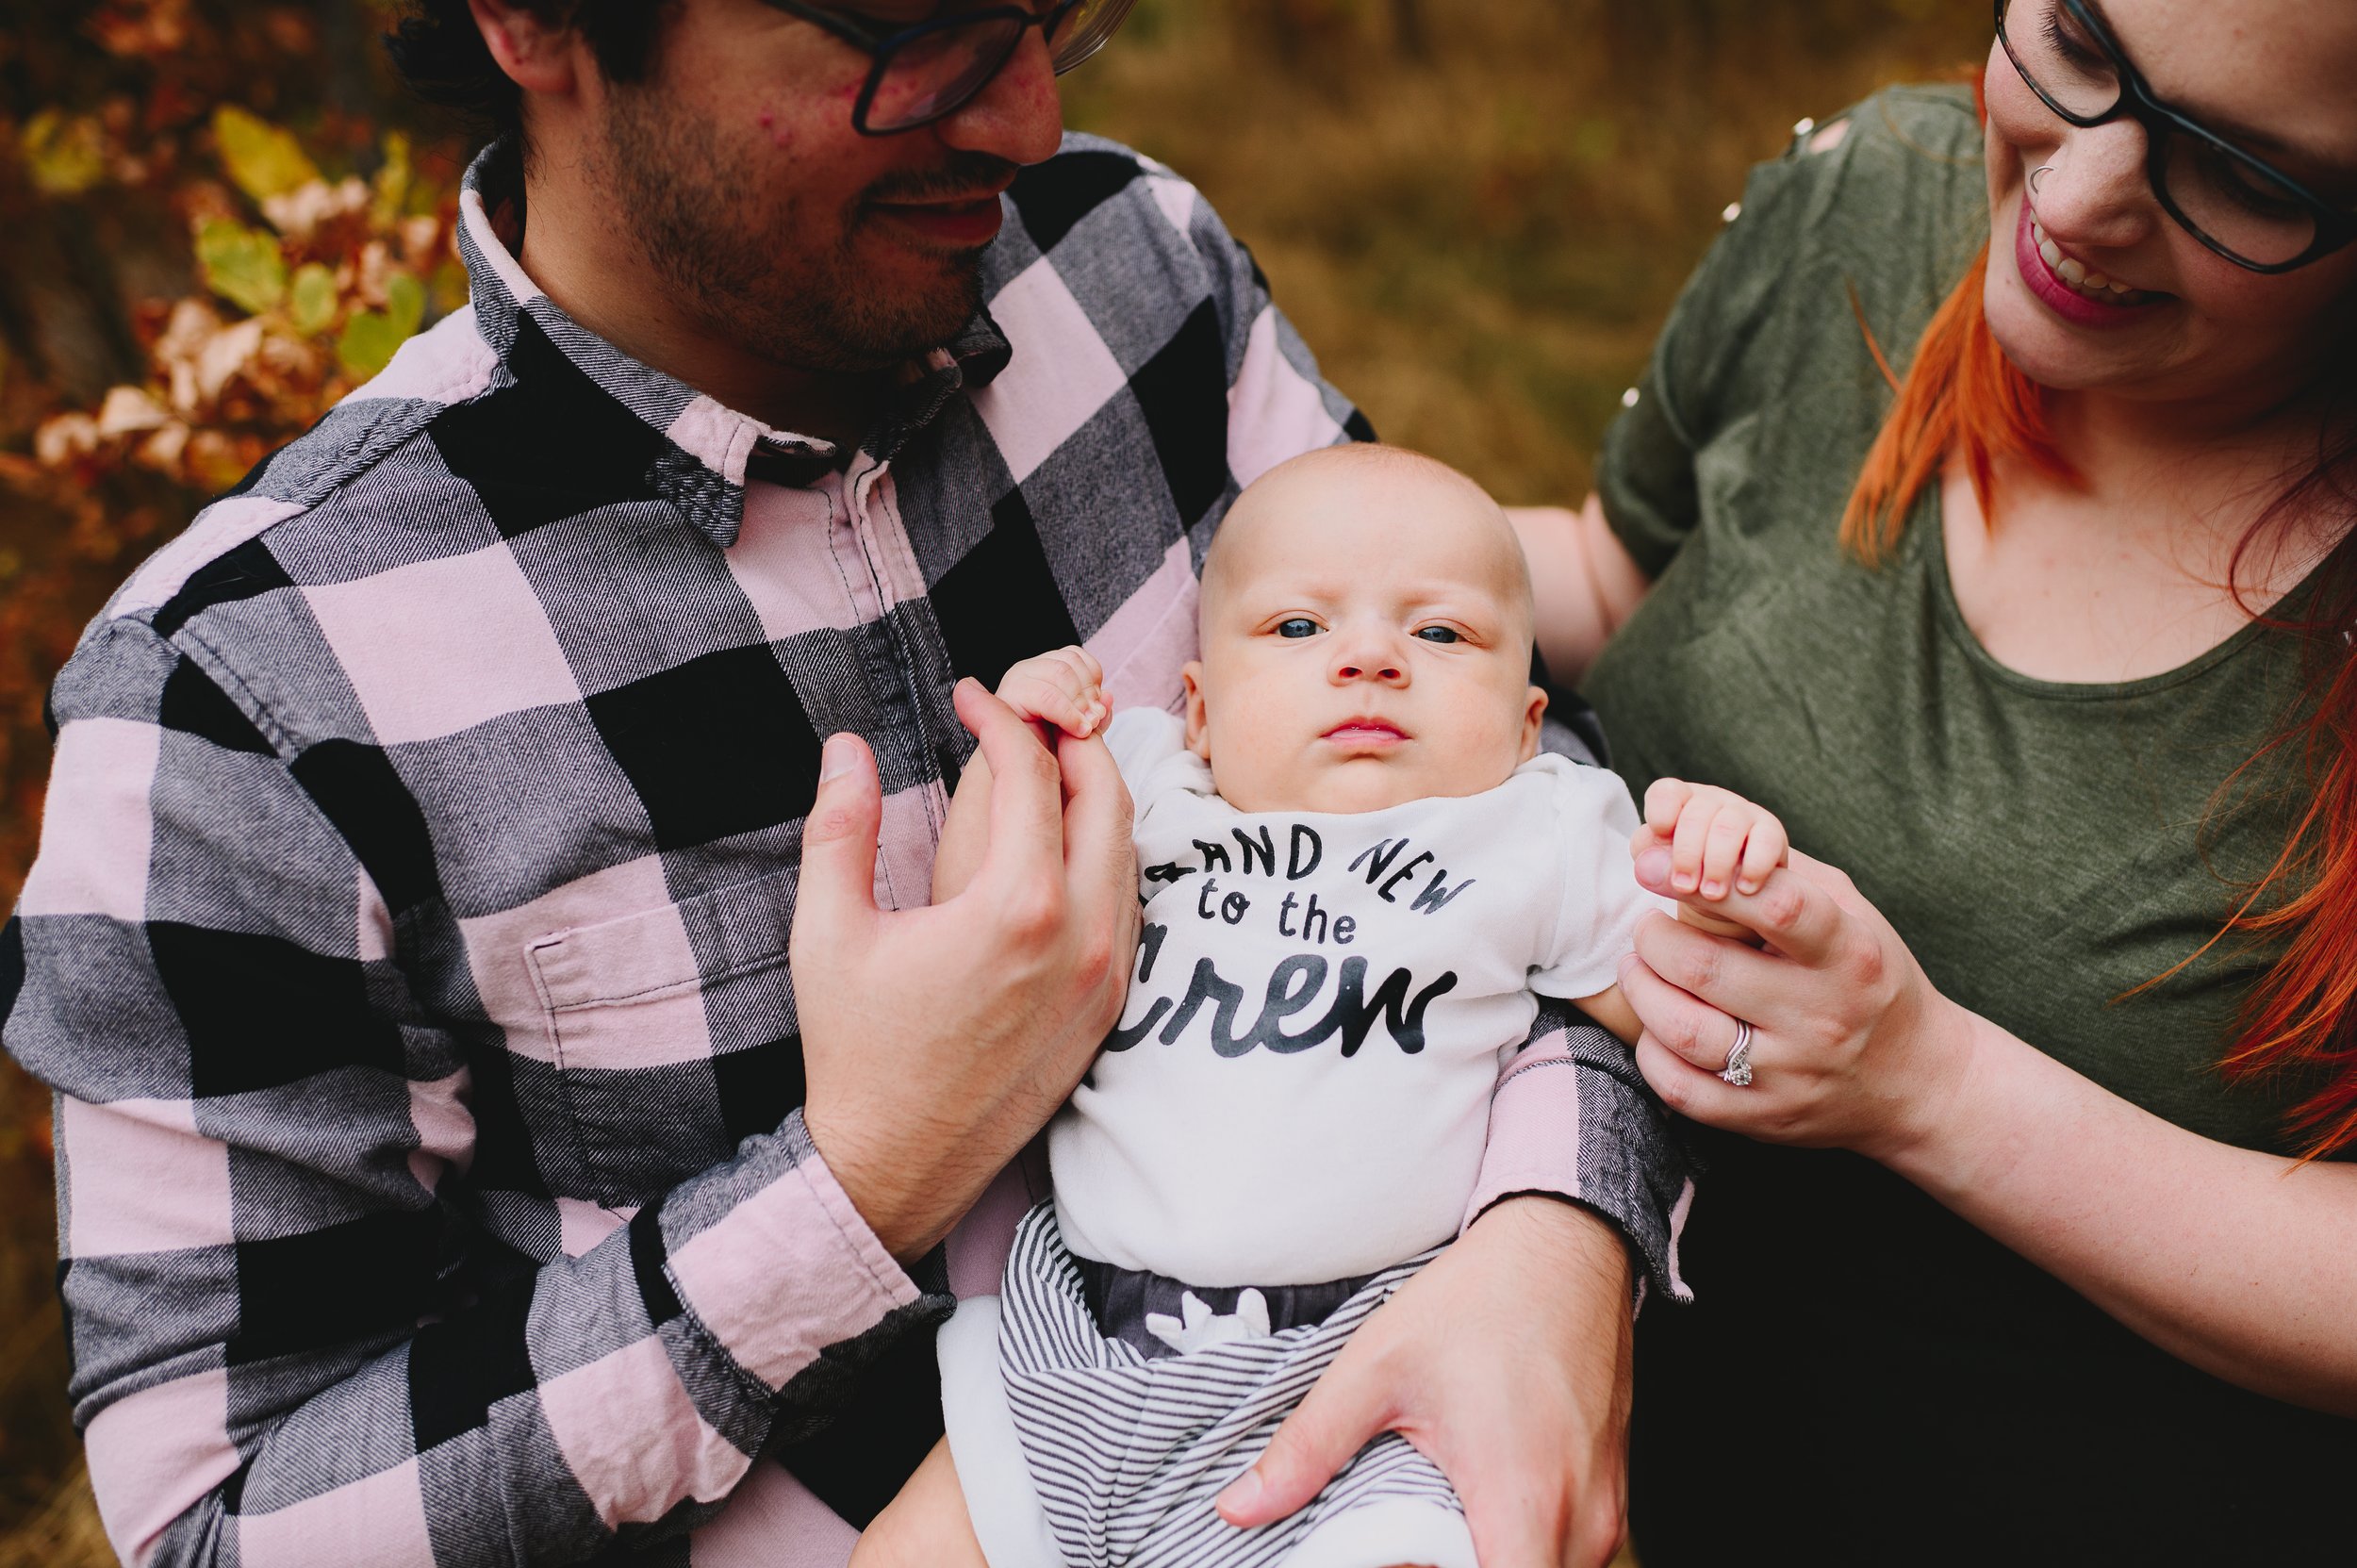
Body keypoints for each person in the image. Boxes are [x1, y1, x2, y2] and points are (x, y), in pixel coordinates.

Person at [0, 3, 1689, 1565]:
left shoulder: (1135, 268)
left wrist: (1557, 1227)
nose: (1026, 115)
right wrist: (859, 1177)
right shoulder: (242, 703)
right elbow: (225, 1522)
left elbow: (1508, 769)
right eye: (914, 25)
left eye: (1047, 15)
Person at [1505, 0, 2357, 1559]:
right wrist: (1277, 553)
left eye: (2240, 170)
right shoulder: (1874, 187)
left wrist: (1932, 1089)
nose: (2080, 199)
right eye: (2082, 47)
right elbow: (1628, 581)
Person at [849, 444, 1782, 1568]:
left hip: (1375, 1360)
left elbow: (1694, 1017)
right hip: (1086, 1339)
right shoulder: (1144, 786)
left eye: (1439, 634)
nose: (1371, 659)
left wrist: (1721, 882)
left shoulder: (1534, 830)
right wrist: (1018, 748)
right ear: (1198, 708)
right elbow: (982, 905)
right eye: (1299, 629)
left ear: (1528, 720)